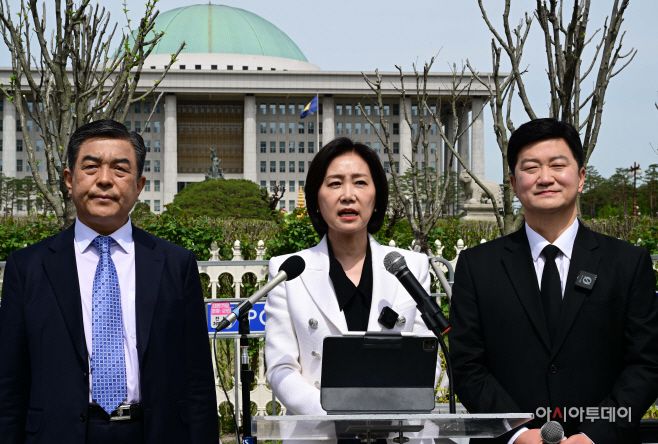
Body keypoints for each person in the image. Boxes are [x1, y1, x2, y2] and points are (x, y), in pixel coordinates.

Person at [0, 120, 218, 444]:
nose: (104, 180)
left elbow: (197, 380)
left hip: (153, 431)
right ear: (69, 180)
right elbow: (9, 383)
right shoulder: (28, 267)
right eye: (91, 167)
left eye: (120, 169)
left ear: (139, 185)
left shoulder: (175, 265)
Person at [449, 118, 658, 444]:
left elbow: (646, 363)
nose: (545, 178)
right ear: (514, 182)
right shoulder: (478, 267)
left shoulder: (627, 263)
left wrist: (594, 435)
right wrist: (518, 432)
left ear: (581, 177)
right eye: (531, 168)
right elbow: (467, 366)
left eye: (558, 165)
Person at [264, 137, 438, 417]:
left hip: (397, 427)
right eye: (334, 183)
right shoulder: (289, 271)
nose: (348, 195)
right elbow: (280, 367)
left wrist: (386, 412)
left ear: (377, 196)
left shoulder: (411, 266)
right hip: (320, 427)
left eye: (360, 182)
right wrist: (334, 414)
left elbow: (427, 356)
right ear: (316, 198)